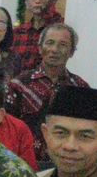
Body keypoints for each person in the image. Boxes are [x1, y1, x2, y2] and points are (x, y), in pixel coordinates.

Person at [6, 22, 87, 165]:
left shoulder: (80, 88)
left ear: (72, 51)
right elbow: (8, 127)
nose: (54, 49)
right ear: (40, 48)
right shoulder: (18, 84)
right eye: (50, 43)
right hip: (23, 161)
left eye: (62, 45)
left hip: (66, 162)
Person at [10, 0, 63, 77]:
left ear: (54, 1)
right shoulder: (17, 32)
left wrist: (45, 1)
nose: (38, 0)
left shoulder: (59, 29)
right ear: (26, 2)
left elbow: (55, 22)